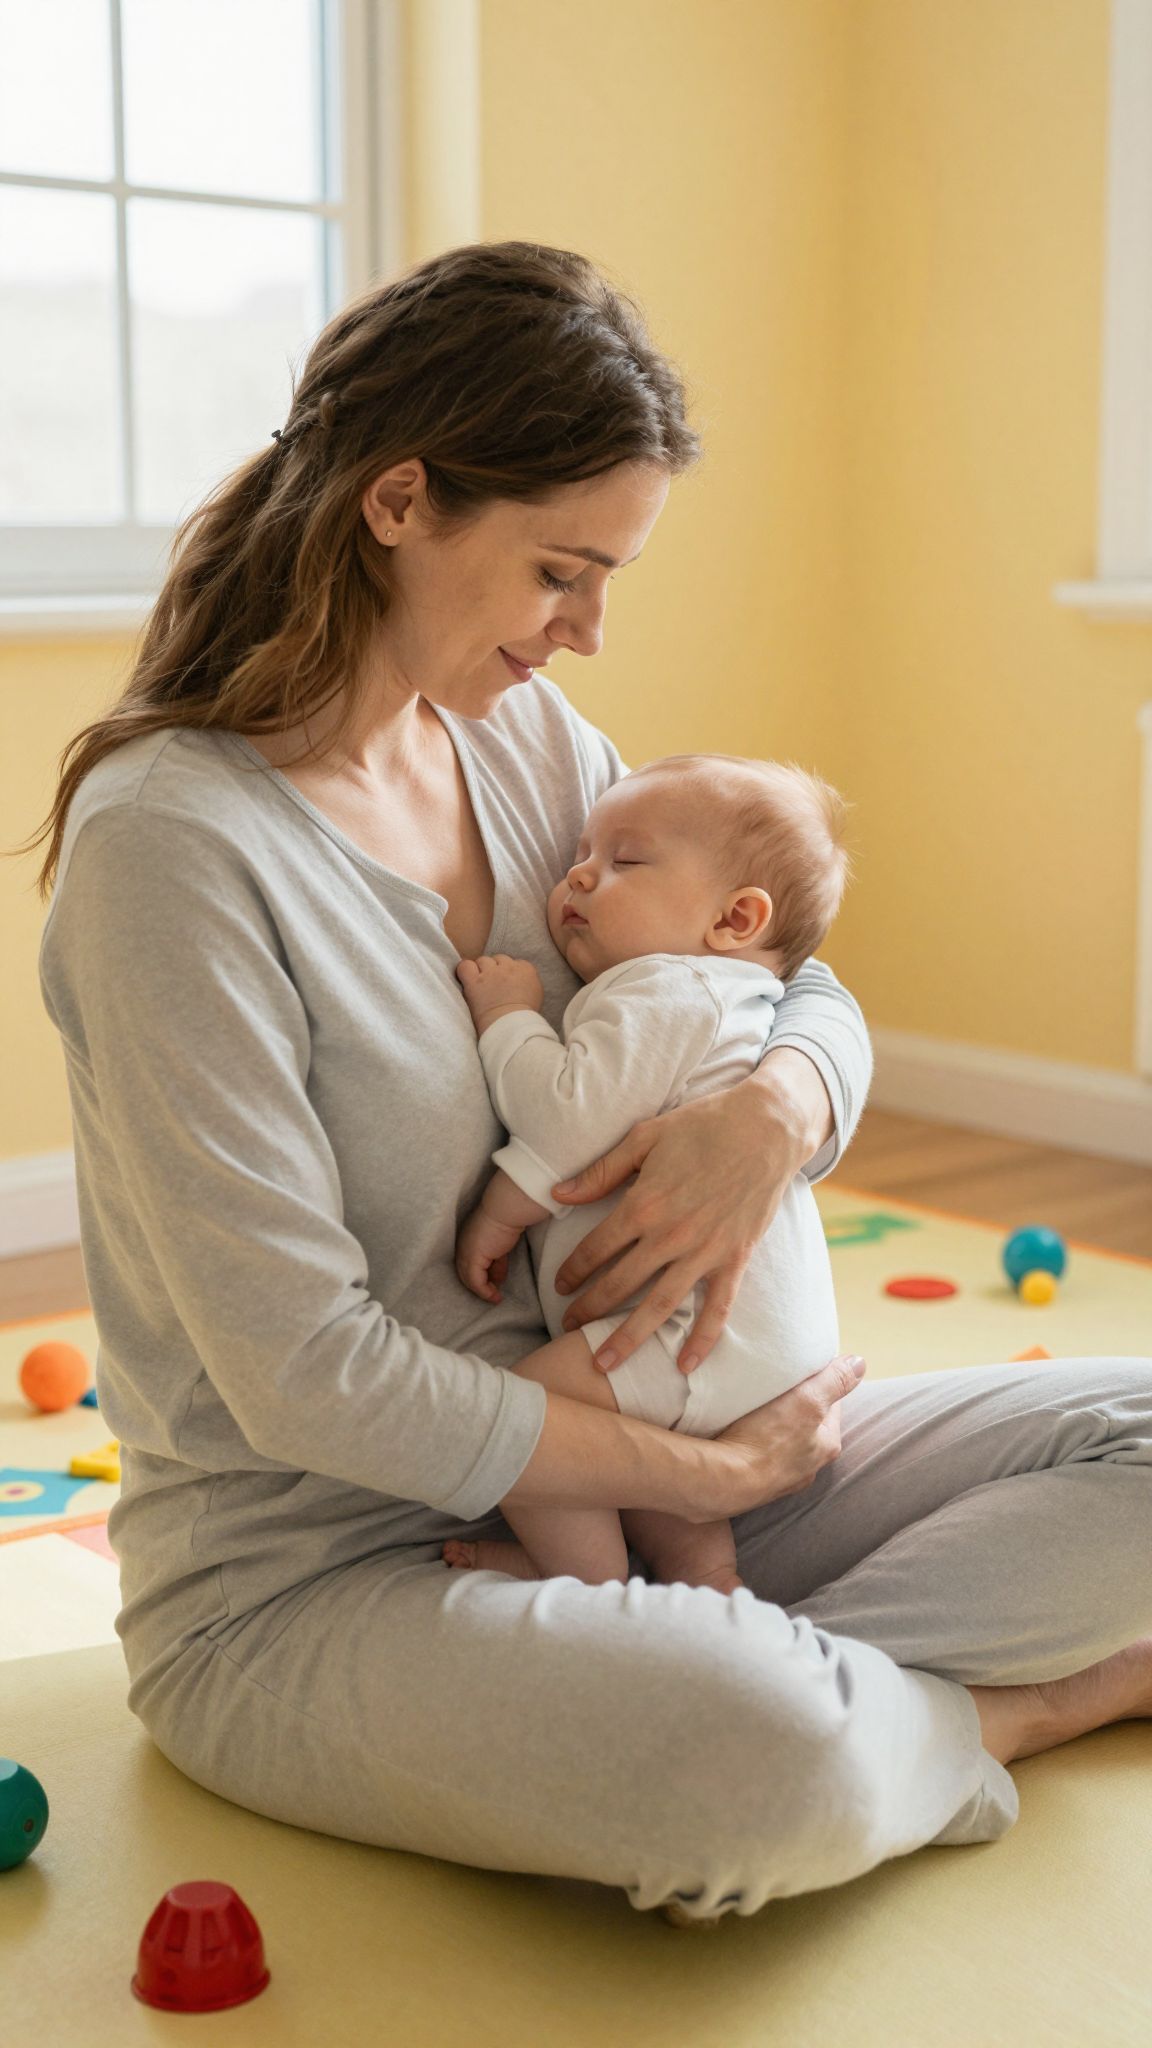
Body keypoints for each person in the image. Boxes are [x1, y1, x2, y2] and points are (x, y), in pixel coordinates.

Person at [20, 242, 1152, 1932]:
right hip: (322, 1577)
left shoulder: (530, 745)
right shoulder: (173, 852)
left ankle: (739, 1695)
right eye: (563, 569)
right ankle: (993, 1711)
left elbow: (781, 977)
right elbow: (298, 1376)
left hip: (643, 1464)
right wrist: (705, 1483)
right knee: (759, 1761)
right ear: (399, 499)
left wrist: (770, 1117)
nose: (589, 628)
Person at [446, 753, 852, 1596]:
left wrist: (509, 1018)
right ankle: (707, 1577)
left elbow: (566, 1117)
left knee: (524, 1416)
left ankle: (589, 1580)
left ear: (736, 919)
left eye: (624, 863)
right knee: (653, 1476)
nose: (580, 876)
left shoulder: (672, 991)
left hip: (696, 1333)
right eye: (582, 853)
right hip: (759, 1344)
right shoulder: (719, 994)